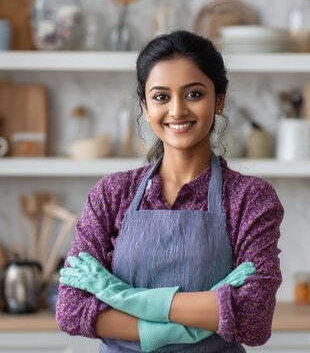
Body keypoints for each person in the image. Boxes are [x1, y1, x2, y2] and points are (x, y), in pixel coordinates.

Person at [56, 30, 283, 352]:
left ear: (219, 99)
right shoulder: (111, 194)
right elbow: (71, 311)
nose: (177, 111)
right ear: (145, 107)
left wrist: (116, 294)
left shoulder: (250, 198)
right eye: (161, 97)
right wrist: (204, 314)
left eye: (193, 94)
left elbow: (253, 318)